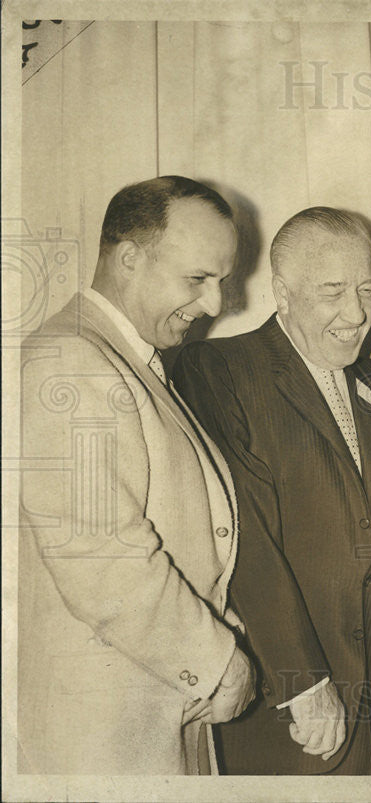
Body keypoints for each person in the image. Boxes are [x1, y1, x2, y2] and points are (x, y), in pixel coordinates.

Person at [18, 176, 255, 775]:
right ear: (128, 258)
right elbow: (100, 557)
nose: (214, 305)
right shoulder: (71, 359)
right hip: (103, 735)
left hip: (148, 713)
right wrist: (218, 659)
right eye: (197, 279)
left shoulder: (127, 359)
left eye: (221, 282)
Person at [173, 207, 371, 775]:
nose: (355, 313)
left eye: (366, 289)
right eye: (332, 291)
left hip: (369, 686)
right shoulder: (217, 370)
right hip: (283, 700)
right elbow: (243, 536)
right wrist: (303, 683)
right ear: (282, 292)